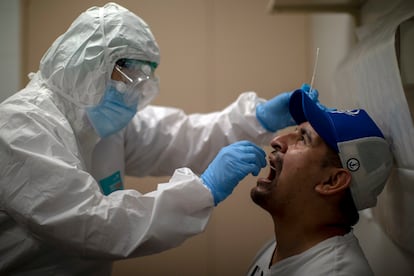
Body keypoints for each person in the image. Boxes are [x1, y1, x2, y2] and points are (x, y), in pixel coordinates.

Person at [0, 3, 321, 275]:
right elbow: (92, 225)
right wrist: (202, 189)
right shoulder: (21, 127)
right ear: (87, 62)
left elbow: (183, 137)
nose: (135, 91)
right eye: (128, 77)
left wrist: (257, 118)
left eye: (142, 79)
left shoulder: (99, 121)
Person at [247, 89, 394, 275]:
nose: (277, 140)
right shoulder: (277, 248)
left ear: (332, 181)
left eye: (302, 139)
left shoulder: (338, 273)